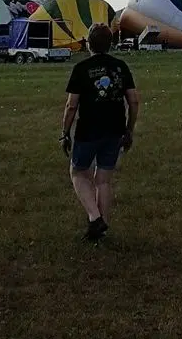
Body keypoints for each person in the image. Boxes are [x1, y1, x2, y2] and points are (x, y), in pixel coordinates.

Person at [59, 22, 140, 242]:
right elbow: (133, 101)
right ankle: (100, 229)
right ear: (111, 43)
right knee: (103, 180)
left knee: (77, 172)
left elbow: (71, 106)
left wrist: (65, 132)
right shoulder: (120, 67)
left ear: (89, 44)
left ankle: (95, 218)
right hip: (114, 129)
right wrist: (129, 130)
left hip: (88, 130)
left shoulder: (82, 69)